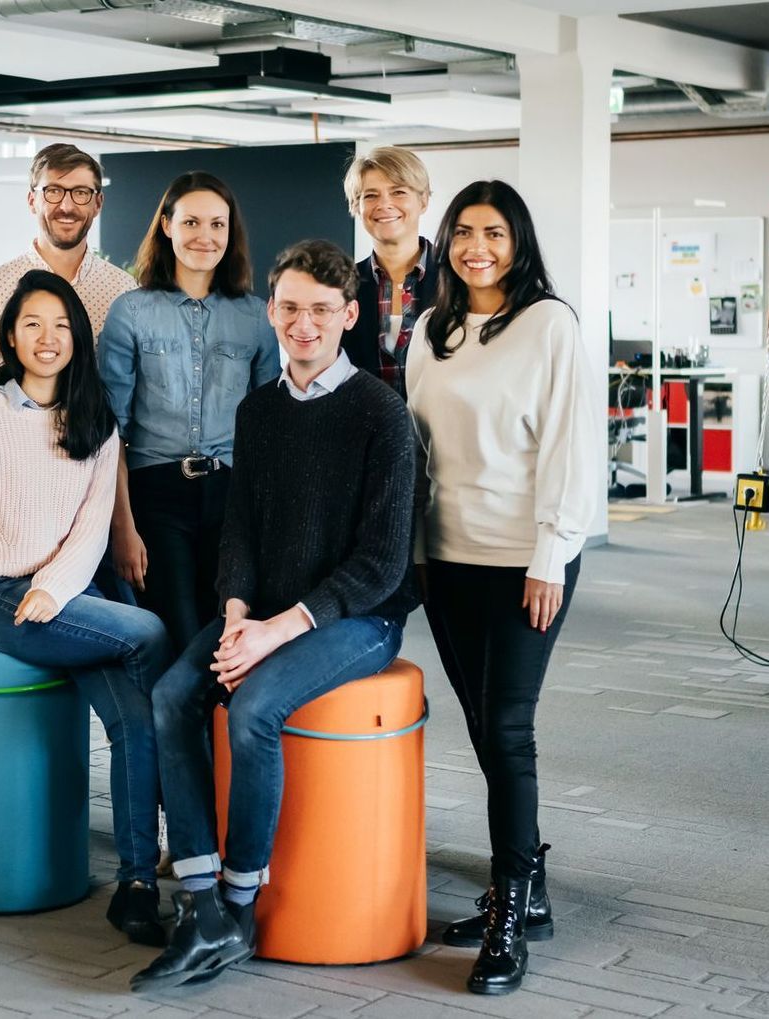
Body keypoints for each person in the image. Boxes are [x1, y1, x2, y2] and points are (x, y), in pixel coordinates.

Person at [132, 240, 416, 992]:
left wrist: (275, 629)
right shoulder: (257, 410)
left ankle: (237, 904)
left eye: (322, 309)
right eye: (289, 307)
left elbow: (381, 565)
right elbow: (241, 533)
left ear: (348, 315)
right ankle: (198, 902)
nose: (303, 323)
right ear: (270, 312)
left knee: (253, 706)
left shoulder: (382, 415)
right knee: (171, 693)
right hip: (261, 610)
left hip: (359, 618)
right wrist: (232, 613)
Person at [0, 270, 173, 946]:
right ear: (10, 335)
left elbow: (92, 528)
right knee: (149, 632)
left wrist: (55, 586)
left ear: (78, 337)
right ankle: (182, 831)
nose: (47, 337)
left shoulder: (95, 419)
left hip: (61, 595)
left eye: (61, 325)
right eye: (32, 323)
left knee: (132, 720)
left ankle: (135, 884)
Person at [407, 180, 600, 996]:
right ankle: (526, 880)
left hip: (526, 559)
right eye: (460, 231)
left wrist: (551, 554)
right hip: (448, 558)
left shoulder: (548, 323)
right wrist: (413, 552)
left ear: (516, 240)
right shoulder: (431, 328)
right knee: (483, 724)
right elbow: (417, 449)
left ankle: (509, 912)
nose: (474, 246)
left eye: (491, 231)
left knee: (509, 727)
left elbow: (569, 447)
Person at [98, 172, 277, 653]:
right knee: (173, 636)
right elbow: (108, 432)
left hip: (231, 496)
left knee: (223, 636)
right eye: (192, 221)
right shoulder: (130, 312)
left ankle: (215, 732)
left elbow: (268, 431)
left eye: (218, 224)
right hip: (155, 496)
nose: (206, 235)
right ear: (166, 226)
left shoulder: (258, 316)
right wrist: (123, 527)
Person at [0, 143, 135, 411]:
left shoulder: (123, 291)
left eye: (81, 193)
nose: (66, 205)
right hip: (9, 449)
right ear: (32, 201)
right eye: (53, 192)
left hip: (96, 449)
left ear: (98, 203)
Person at [340, 146, 438, 398]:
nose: (384, 204)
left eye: (398, 192)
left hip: (445, 434)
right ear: (356, 206)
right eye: (370, 195)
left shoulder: (459, 279)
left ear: (423, 200)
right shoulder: (341, 286)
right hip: (365, 432)